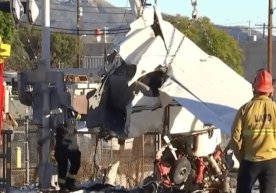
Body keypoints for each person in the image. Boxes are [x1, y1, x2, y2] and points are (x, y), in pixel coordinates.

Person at [231, 69, 276, 193]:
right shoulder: (275, 108)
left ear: (254, 88)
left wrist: (241, 157)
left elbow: (235, 135)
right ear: (270, 91)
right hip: (271, 161)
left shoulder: (245, 109)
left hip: (250, 161)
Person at [54, 108, 86, 191]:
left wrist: (87, 117)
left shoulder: (70, 110)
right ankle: (62, 186)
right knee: (62, 165)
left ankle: (69, 183)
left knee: (76, 161)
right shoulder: (57, 111)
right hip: (62, 143)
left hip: (71, 143)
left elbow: (80, 117)